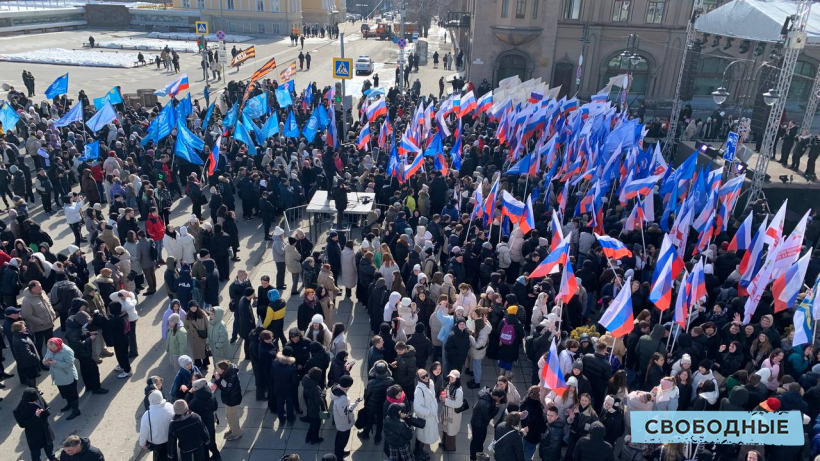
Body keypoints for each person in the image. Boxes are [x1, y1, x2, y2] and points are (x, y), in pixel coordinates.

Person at [14, 388, 57, 461]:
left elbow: (47, 407)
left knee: (50, 449)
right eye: (33, 401)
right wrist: (35, 416)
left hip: (46, 430)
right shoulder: (18, 410)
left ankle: (52, 458)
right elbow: (22, 424)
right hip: (34, 435)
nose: (35, 401)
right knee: (36, 455)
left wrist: (45, 412)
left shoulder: (38, 398)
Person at [43, 338, 81, 420]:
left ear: (58, 345)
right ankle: (69, 404)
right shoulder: (50, 348)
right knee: (64, 392)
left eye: (53, 349)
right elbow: (46, 357)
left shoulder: (67, 351)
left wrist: (55, 363)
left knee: (72, 394)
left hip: (68, 377)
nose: (51, 350)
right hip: (57, 376)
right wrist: (45, 361)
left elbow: (69, 364)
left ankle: (76, 410)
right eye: (50, 348)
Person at [139, 389, 175, 461]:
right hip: (172, 439)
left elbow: (144, 431)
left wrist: (142, 443)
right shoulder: (170, 406)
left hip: (157, 443)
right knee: (173, 456)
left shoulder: (147, 415)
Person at [212, 360, 243, 441]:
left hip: (233, 400)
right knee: (228, 415)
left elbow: (226, 388)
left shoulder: (231, 376)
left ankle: (237, 433)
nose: (217, 371)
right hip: (228, 399)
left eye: (218, 369)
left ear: (223, 369)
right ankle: (232, 429)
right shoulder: (227, 373)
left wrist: (218, 379)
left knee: (233, 417)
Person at [330, 374, 359, 460]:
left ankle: (340, 452)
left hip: (339, 421)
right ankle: (339, 456)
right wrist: (354, 404)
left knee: (340, 438)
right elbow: (344, 413)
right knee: (342, 439)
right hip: (343, 423)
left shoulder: (336, 389)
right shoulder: (342, 399)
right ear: (348, 386)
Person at [440, 369, 463, 452]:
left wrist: (445, 400)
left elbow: (458, 404)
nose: (451, 378)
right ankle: (444, 443)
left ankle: (450, 447)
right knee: (445, 428)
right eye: (450, 377)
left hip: (452, 415)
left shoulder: (458, 391)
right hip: (447, 413)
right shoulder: (449, 385)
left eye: (453, 377)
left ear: (457, 379)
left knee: (450, 431)